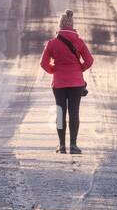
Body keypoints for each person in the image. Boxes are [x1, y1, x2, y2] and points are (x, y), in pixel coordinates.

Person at [39, 9, 94, 155]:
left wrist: (54, 70)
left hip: (59, 83)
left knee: (60, 112)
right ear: (72, 25)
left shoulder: (52, 44)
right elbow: (89, 61)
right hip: (76, 83)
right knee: (74, 112)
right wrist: (79, 70)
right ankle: (74, 145)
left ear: (60, 26)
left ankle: (61, 146)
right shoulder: (79, 42)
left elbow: (43, 64)